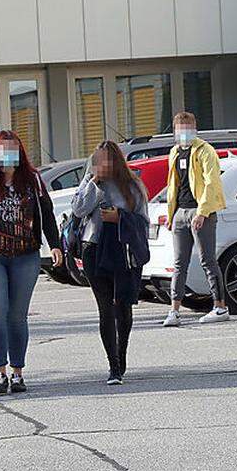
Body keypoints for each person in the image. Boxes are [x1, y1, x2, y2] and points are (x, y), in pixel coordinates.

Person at [0, 130, 63, 395]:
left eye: (14, 149)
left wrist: (54, 244)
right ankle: (0, 372)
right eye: (4, 150)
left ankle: (18, 372)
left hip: (25, 255)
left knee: (17, 316)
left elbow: (48, 214)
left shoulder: (33, 180)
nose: (10, 155)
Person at [70, 141, 150, 384]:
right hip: (93, 249)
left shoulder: (132, 185)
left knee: (122, 306)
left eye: (106, 160)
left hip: (123, 251)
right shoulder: (90, 181)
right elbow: (78, 209)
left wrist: (120, 218)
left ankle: (121, 355)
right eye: (98, 160)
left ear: (115, 161)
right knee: (105, 308)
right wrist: (93, 182)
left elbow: (143, 221)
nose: (102, 165)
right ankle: (113, 366)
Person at [163, 111, 228, 327]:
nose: (184, 133)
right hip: (181, 212)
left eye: (188, 129)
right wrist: (171, 214)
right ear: (175, 131)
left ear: (195, 128)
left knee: (207, 259)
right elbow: (173, 185)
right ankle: (174, 310)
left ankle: (219, 306)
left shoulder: (205, 151)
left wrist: (203, 212)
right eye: (181, 129)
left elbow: (212, 183)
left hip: (201, 212)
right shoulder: (174, 152)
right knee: (179, 263)